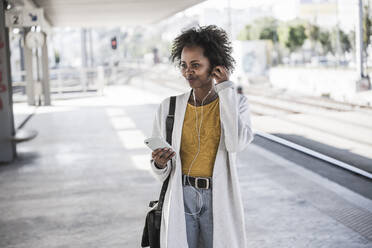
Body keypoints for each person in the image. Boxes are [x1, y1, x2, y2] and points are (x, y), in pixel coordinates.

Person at [150, 25, 254, 248]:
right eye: (184, 65)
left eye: (196, 65)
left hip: (217, 197)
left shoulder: (236, 104)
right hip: (181, 195)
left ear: (215, 66)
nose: (188, 72)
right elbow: (162, 172)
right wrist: (159, 164)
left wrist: (225, 88)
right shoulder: (169, 107)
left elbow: (236, 144)